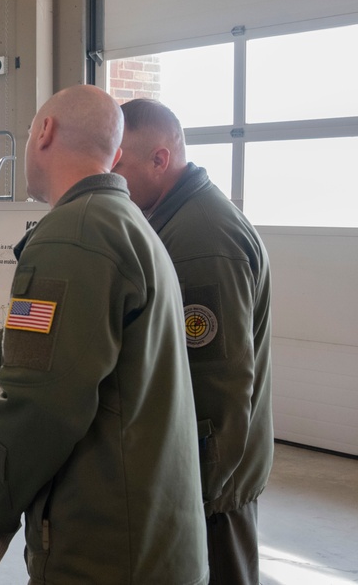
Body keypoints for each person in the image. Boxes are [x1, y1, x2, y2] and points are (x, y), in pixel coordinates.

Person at [0, 85, 208, 584]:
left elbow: (44, 398)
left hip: (104, 547)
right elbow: (32, 348)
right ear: (116, 154)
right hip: (146, 535)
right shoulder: (125, 225)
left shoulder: (74, 234)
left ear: (45, 131)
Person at [113, 98, 273, 585]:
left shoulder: (202, 240)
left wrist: (190, 498)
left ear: (160, 160)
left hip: (212, 494)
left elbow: (219, 392)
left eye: (120, 164)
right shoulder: (175, 222)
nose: (111, 177)